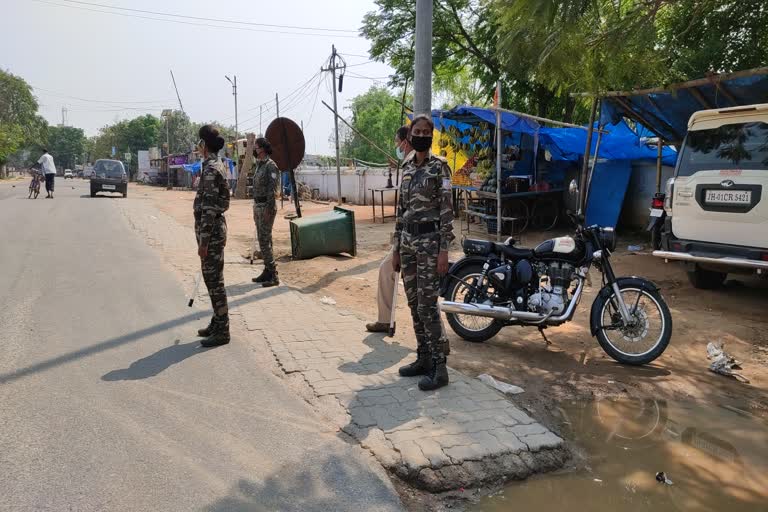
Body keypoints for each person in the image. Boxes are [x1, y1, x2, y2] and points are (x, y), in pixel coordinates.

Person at [393, 115, 454, 391]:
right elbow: (400, 210)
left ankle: (440, 367)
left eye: (425, 131)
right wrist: (395, 248)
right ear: (410, 135)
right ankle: (423, 357)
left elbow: (447, 213)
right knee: (413, 303)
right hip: (407, 243)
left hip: (430, 245)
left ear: (431, 136)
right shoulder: (405, 167)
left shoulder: (440, 167)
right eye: (416, 131)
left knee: (427, 305)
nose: (420, 135)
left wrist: (444, 251)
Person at [366, 126, 412, 333]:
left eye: (397, 142)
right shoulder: (408, 165)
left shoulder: (427, 165)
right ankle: (385, 320)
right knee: (387, 270)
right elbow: (403, 210)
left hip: (423, 240)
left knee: (422, 291)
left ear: (405, 141)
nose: (396, 147)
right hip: (407, 237)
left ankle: (439, 341)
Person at [194, 125, 231, 347]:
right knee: (212, 279)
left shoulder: (210, 169)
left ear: (203, 145)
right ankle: (217, 322)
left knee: (214, 281)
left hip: (211, 233)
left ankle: (223, 330)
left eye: (199, 142)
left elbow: (208, 208)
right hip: (215, 229)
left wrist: (203, 242)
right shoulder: (215, 164)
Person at [250, 137, 280, 287]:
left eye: (256, 147)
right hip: (258, 206)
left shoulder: (270, 166)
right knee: (265, 240)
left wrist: (269, 208)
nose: (254, 149)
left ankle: (273, 275)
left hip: (266, 207)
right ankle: (267, 271)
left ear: (262, 148)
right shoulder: (259, 165)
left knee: (263, 240)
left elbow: (272, 190)